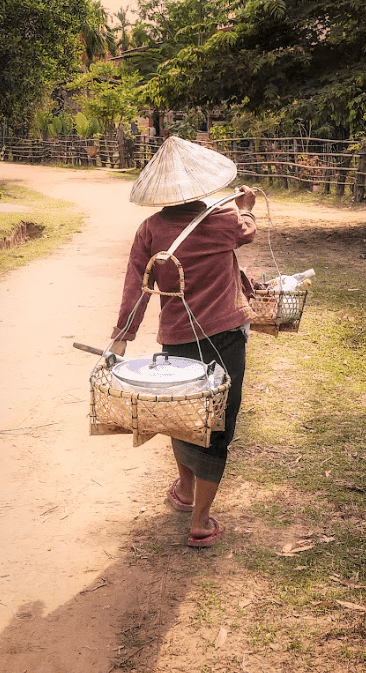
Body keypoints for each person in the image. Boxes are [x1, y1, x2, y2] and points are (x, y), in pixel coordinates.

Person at [108, 136, 258, 548]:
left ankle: (186, 490)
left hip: (175, 341)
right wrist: (243, 207)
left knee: (183, 415)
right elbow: (247, 229)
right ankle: (201, 521)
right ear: (202, 183)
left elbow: (135, 288)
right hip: (225, 338)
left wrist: (122, 338)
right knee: (217, 424)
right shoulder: (225, 222)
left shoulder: (150, 229)